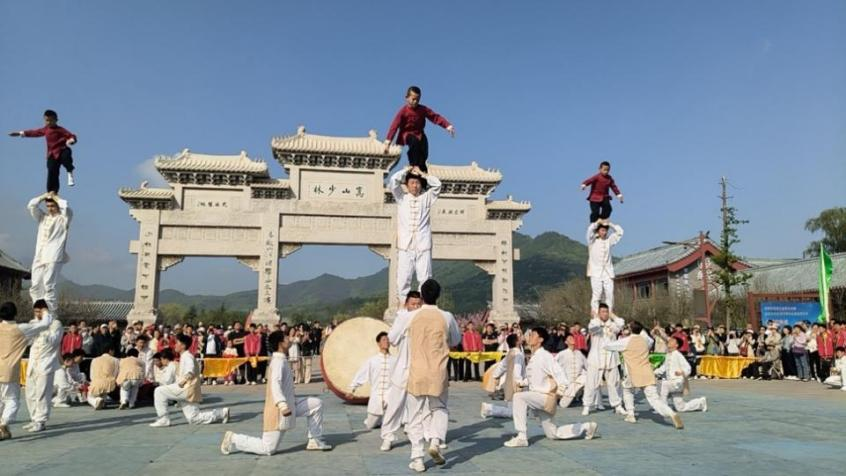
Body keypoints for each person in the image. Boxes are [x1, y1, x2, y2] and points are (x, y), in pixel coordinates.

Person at [220, 330, 331, 455]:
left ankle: (314, 440)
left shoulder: (282, 360)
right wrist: (282, 405)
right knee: (268, 448)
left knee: (316, 404)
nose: (289, 338)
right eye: (286, 337)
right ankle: (233, 438)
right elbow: (275, 385)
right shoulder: (278, 362)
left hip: (291, 404)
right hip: (278, 411)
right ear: (281, 343)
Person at [392, 279, 461, 472]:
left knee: (414, 415)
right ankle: (436, 441)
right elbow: (456, 339)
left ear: (421, 297)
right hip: (438, 371)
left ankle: (417, 458)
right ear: (438, 295)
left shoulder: (410, 316)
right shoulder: (446, 316)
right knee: (439, 408)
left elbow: (392, 338)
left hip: (416, 372)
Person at [504, 327, 598, 448]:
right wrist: (523, 383)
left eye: (533, 335)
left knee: (518, 397)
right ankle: (587, 427)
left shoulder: (544, 355)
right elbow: (537, 378)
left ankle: (522, 437)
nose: (530, 337)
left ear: (540, 339)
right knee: (552, 433)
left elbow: (559, 374)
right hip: (538, 397)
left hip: (544, 397)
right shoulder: (536, 355)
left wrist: (561, 390)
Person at [603, 321, 683, 429]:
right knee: (655, 399)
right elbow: (649, 339)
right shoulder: (646, 340)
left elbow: (607, 346)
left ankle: (630, 414)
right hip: (647, 372)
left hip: (631, 373)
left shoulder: (625, 341)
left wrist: (608, 335)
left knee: (627, 391)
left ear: (630, 329)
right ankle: (670, 413)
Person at [0, 302, 54, 440]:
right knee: (12, 400)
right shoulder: (20, 329)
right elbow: (45, 324)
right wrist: (45, 310)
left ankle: (3, 430)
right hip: (9, 370)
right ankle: (4, 422)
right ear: (15, 313)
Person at [150, 334, 230, 427]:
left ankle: (163, 419)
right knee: (193, 418)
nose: (175, 345)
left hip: (186, 388)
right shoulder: (185, 356)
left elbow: (190, 370)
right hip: (189, 389)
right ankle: (221, 413)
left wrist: (183, 381)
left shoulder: (187, 356)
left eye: (177, 343)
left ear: (183, 345)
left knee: (159, 391)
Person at [390, 165, 442, 306]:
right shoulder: (401, 198)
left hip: (423, 245)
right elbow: (393, 181)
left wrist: (422, 174)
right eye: (412, 182)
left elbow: (437, 185)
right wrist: (406, 171)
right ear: (406, 185)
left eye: (417, 183)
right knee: (403, 278)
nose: (415, 185)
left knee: (425, 278)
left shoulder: (427, 198)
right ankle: (403, 306)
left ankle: (423, 305)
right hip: (405, 245)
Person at [381, 291, 422, 451]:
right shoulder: (402, 318)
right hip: (402, 367)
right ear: (407, 304)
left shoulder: (425, 317)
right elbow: (393, 339)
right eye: (413, 304)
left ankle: (416, 434)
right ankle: (387, 436)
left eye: (418, 304)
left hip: (419, 368)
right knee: (395, 404)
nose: (416, 307)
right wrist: (405, 323)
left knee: (418, 404)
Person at [383, 85, 455, 172]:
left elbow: (435, 117)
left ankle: (422, 169)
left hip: (420, 133)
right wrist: (388, 142)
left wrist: (447, 126)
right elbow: (394, 126)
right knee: (414, 143)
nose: (415, 101)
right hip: (407, 134)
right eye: (413, 99)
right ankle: (413, 164)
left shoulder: (422, 109)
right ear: (407, 98)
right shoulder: (403, 111)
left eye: (417, 99)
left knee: (424, 149)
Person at [9, 109, 78, 192]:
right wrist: (20, 133)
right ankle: (52, 191)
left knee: (66, 158)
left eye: (51, 120)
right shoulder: (45, 129)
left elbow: (71, 135)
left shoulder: (60, 129)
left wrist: (71, 140)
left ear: (56, 120)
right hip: (52, 154)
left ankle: (70, 172)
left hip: (62, 149)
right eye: (47, 120)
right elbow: (34, 132)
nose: (48, 122)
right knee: (51, 171)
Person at [27, 192, 72, 313]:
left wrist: (55, 197)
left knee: (48, 285)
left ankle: (50, 312)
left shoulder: (63, 218)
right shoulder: (42, 217)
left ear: (57, 205)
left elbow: (66, 207)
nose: (50, 209)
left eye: (52, 206)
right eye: (48, 206)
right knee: (35, 285)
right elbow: (31, 205)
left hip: (53, 255)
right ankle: (38, 311)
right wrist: (43, 196)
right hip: (39, 254)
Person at [23, 299, 63, 432]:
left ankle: (41, 420)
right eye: (35, 311)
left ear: (46, 311)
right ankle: (34, 418)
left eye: (40, 311)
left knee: (42, 394)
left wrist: (43, 329)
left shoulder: (55, 324)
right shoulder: (33, 323)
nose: (37, 314)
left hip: (46, 363)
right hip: (33, 363)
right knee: (30, 393)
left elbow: (53, 341)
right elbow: (27, 341)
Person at [583, 304, 625, 416]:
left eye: (606, 311)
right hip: (596, 358)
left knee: (614, 383)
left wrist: (613, 315)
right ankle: (587, 405)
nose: (605, 314)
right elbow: (593, 328)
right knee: (591, 383)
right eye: (602, 311)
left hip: (611, 358)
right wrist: (596, 317)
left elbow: (621, 323)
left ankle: (618, 405)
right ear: (598, 312)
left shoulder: (612, 325)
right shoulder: (593, 322)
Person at [347, 331, 396, 430]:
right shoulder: (372, 361)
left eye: (388, 340)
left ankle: (386, 419)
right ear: (378, 343)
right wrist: (352, 389)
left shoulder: (395, 360)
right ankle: (378, 419)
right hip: (376, 398)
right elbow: (361, 374)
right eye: (384, 340)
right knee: (370, 425)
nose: (386, 342)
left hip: (390, 398)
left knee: (392, 424)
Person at [654, 337, 707, 413]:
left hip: (677, 383)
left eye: (672, 341)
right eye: (669, 340)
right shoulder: (668, 354)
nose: (669, 341)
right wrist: (653, 372)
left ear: (676, 345)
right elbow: (663, 368)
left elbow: (688, 368)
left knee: (664, 385)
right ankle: (700, 402)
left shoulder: (678, 355)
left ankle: (663, 409)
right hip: (672, 383)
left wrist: (681, 372)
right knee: (681, 408)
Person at [481, 333, 525, 419]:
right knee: (513, 413)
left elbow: (501, 366)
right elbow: (517, 370)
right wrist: (520, 383)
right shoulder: (518, 355)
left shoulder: (510, 353)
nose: (521, 337)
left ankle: (489, 409)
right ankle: (489, 408)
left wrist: (495, 376)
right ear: (516, 342)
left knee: (516, 410)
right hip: (516, 385)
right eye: (519, 337)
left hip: (510, 385)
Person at [586, 220, 623, 314]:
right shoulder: (592, 240)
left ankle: (609, 313)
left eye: (606, 230)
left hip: (608, 272)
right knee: (597, 295)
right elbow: (589, 230)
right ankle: (595, 314)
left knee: (610, 294)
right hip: (595, 272)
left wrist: (609, 223)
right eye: (602, 230)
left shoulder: (609, 241)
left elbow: (620, 232)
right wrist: (597, 223)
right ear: (598, 231)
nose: (604, 232)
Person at [555, 334, 588, 409]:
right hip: (565, 384)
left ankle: (582, 397)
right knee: (563, 405)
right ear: (566, 342)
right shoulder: (562, 354)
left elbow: (588, 367)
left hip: (577, 383)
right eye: (569, 338)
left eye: (573, 338)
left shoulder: (579, 353)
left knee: (587, 377)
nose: (572, 339)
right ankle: (560, 397)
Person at [88, 344, 119, 409]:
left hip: (96, 382)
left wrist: (93, 381)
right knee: (104, 392)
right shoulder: (115, 360)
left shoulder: (94, 360)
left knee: (90, 397)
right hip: (110, 383)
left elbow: (91, 374)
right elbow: (116, 373)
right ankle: (102, 402)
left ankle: (97, 400)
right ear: (110, 351)